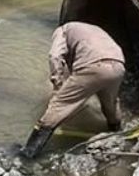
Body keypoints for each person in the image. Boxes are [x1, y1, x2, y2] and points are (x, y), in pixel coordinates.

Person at [19, 22, 126, 159]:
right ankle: (117, 133)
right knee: (110, 104)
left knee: (58, 106)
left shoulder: (62, 30)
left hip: (94, 65)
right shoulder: (91, 29)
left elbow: (55, 56)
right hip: (118, 66)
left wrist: (58, 85)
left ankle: (29, 152)